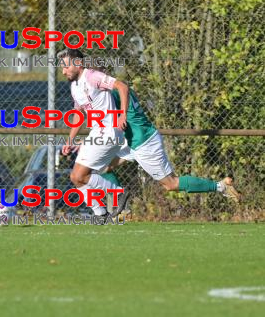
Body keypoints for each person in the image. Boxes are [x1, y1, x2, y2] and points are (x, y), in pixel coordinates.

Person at [107, 86, 240, 215]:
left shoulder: (112, 93)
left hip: (143, 142)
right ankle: (120, 208)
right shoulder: (116, 89)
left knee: (171, 184)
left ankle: (220, 186)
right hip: (133, 139)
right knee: (102, 166)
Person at [58, 48, 130, 216]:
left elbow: (122, 86)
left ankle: (119, 192)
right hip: (97, 133)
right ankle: (100, 214)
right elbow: (78, 115)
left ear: (78, 63)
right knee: (76, 177)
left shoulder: (92, 76)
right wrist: (70, 140)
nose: (63, 71)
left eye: (66, 67)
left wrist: (122, 115)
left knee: (81, 175)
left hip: (109, 131)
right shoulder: (74, 86)